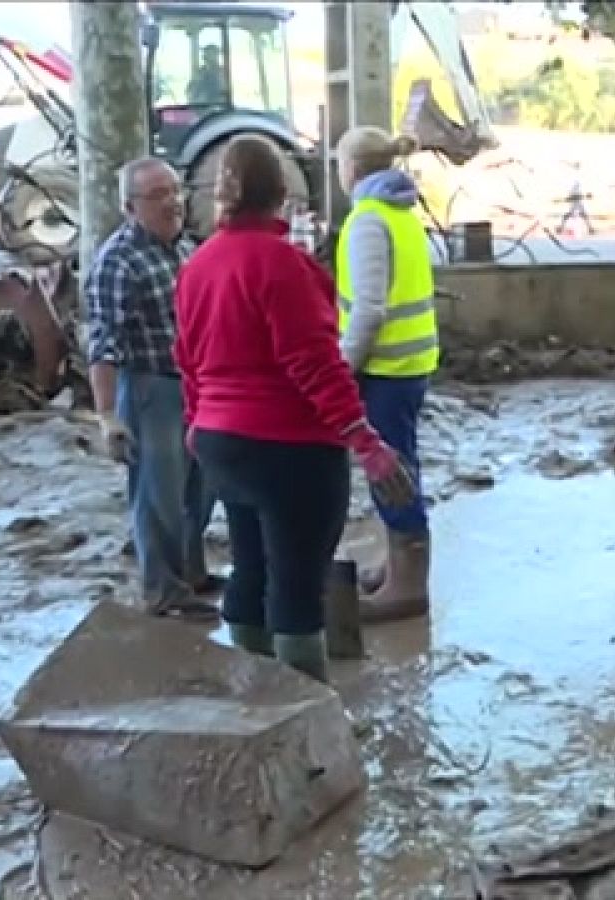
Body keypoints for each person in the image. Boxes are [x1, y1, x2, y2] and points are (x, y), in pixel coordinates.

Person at [173, 136, 414, 682]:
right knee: (297, 582)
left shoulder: (197, 266)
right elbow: (315, 365)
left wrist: (196, 424)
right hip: (289, 447)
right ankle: (306, 718)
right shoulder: (286, 266)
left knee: (250, 568)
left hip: (220, 443)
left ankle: (254, 698)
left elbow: (186, 359)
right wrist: (368, 445)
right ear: (283, 195)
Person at [83, 156, 219, 619]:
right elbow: (103, 341)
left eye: (175, 191)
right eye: (158, 196)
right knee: (159, 493)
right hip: (150, 388)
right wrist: (107, 417)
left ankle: (193, 573)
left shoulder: (185, 248)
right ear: (129, 206)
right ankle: (163, 589)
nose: (172, 203)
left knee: (203, 485)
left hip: (196, 384)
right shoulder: (118, 260)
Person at [333, 126, 441, 623]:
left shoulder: (368, 222)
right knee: (400, 464)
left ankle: (408, 586)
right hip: (409, 364)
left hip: (386, 368)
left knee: (392, 471)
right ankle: (395, 565)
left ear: (352, 169)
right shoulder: (399, 214)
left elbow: (369, 311)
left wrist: (342, 370)